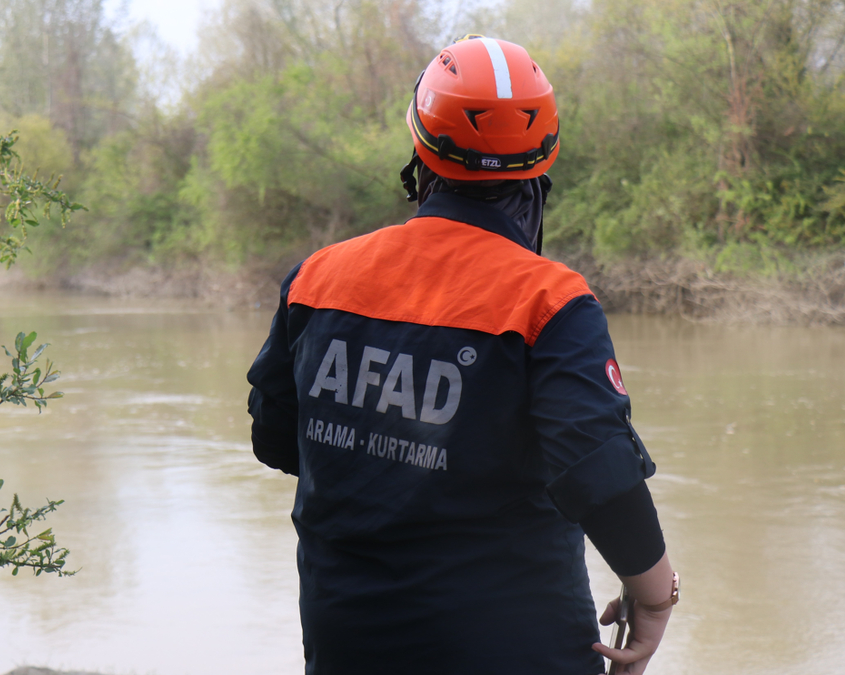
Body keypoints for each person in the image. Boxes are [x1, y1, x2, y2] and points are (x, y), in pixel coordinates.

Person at [246, 35, 677, 675]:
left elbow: (277, 439)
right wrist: (655, 597)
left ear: (421, 152)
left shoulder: (317, 278)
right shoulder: (550, 302)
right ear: (541, 166)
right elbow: (598, 473)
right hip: (518, 650)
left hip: (348, 643)